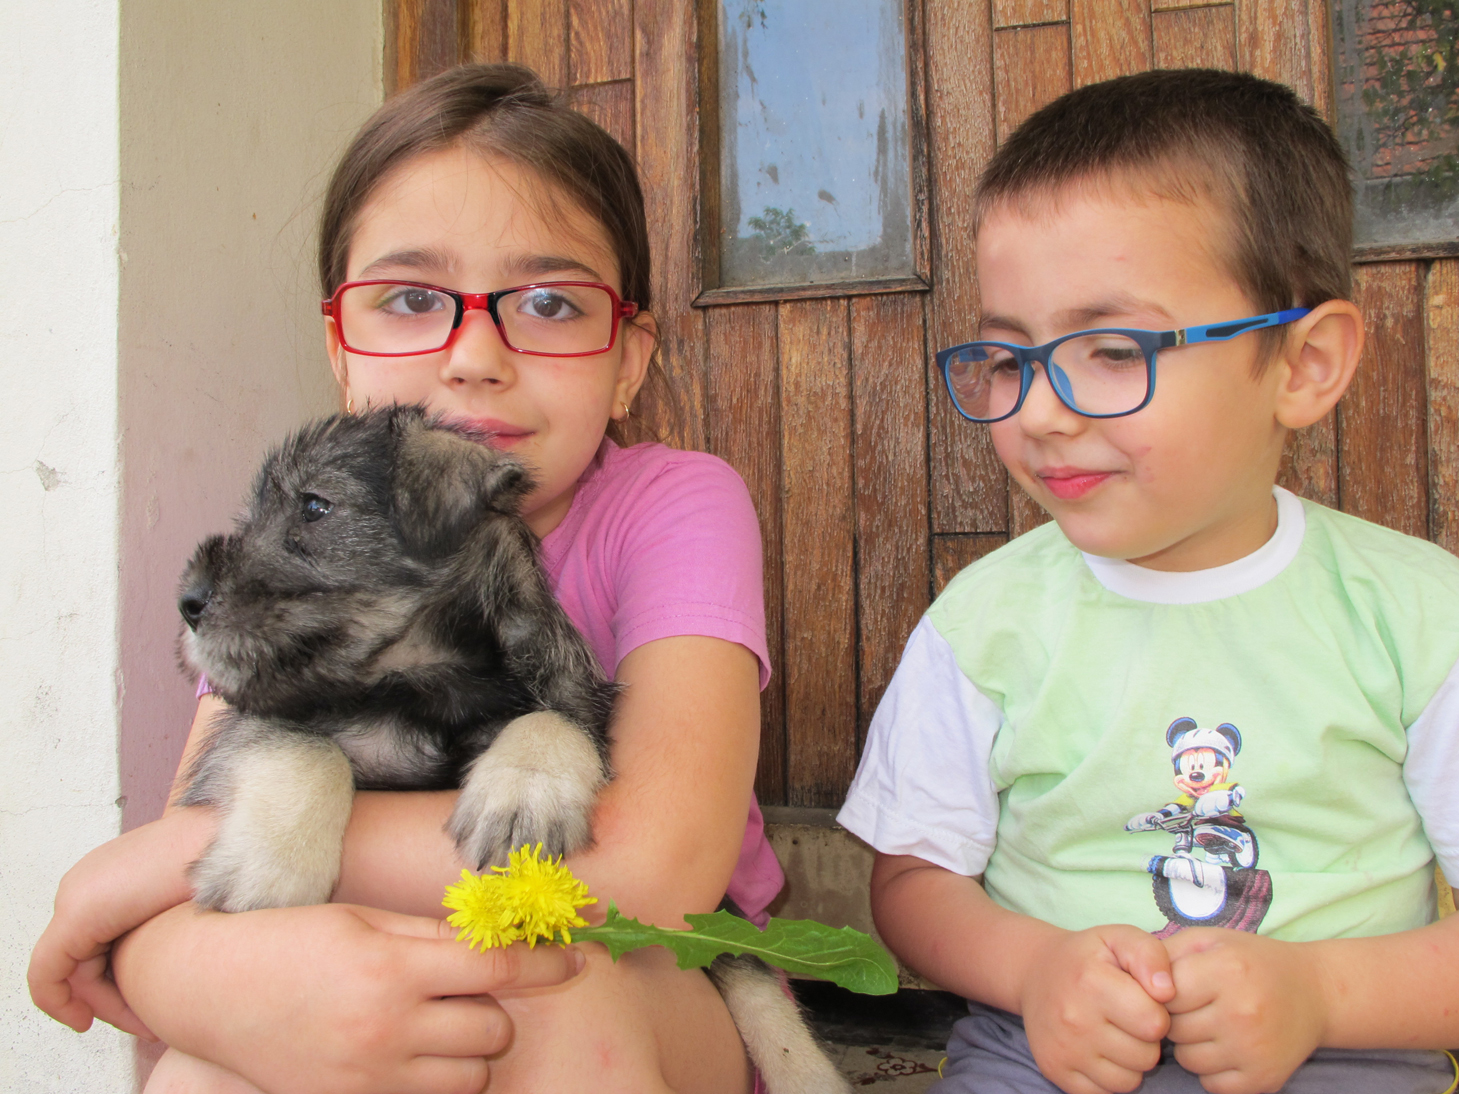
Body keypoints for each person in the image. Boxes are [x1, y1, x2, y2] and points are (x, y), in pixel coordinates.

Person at [28, 63, 783, 1094]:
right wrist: (203, 968)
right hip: (377, 969)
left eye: (552, 300)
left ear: (630, 358)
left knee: (548, 999)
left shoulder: (674, 503)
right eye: (412, 298)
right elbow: (205, 900)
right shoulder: (303, 550)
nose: (475, 353)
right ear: (341, 349)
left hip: (640, 974)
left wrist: (152, 868)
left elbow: (652, 870)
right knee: (210, 1061)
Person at [837, 68, 1459, 1094]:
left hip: (1344, 1057)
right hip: (1036, 1057)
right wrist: (1036, 968)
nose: (1037, 411)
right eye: (1008, 355)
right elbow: (911, 882)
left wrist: (1317, 994)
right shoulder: (985, 622)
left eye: (1114, 348)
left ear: (1303, 365)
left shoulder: (1417, 615)